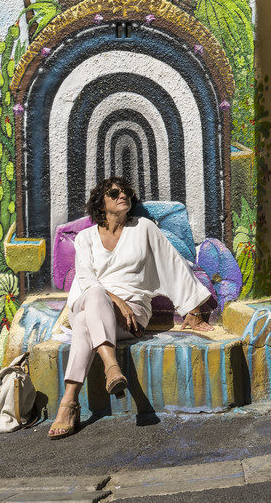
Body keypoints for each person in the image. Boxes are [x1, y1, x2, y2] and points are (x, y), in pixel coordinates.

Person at [48, 177, 214, 440]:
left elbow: (171, 263)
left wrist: (191, 309)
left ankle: (68, 404)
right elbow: (85, 279)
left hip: (132, 314)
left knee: (82, 322)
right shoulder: (86, 238)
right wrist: (114, 298)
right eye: (114, 193)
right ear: (101, 204)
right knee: (92, 299)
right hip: (98, 302)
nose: (122, 195)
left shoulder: (143, 228)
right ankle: (111, 368)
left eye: (126, 192)